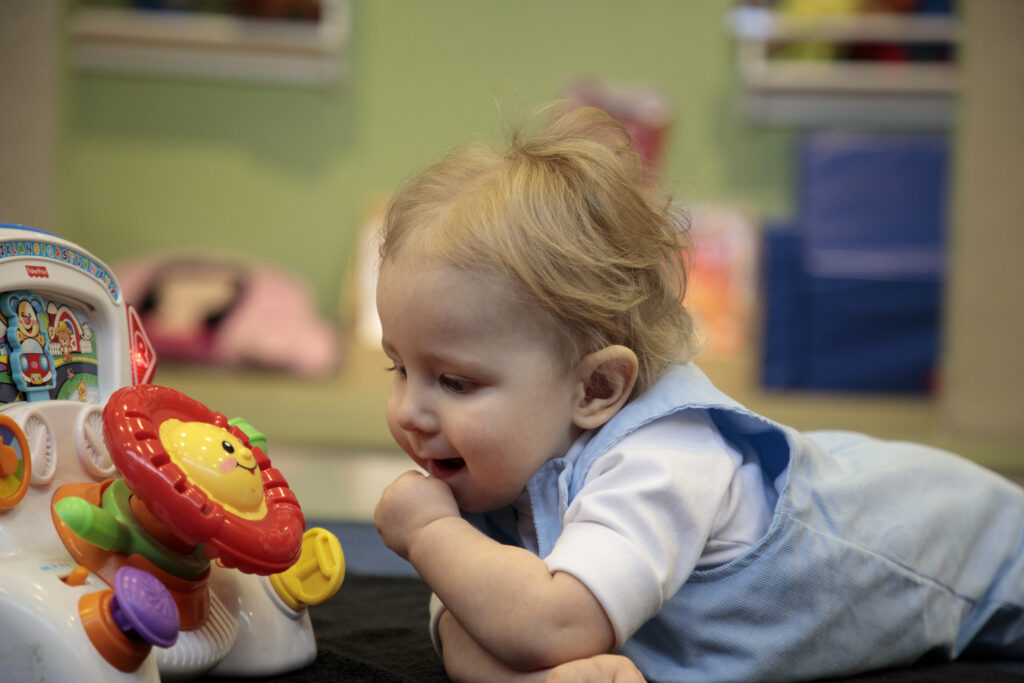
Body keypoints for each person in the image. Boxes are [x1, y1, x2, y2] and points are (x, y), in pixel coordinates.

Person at [372, 104, 1024, 682]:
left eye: (454, 381)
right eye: (398, 368)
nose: (408, 411)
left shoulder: (664, 458)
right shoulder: (496, 474)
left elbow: (552, 623)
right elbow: (468, 620)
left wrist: (430, 532)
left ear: (596, 387)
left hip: (964, 545)